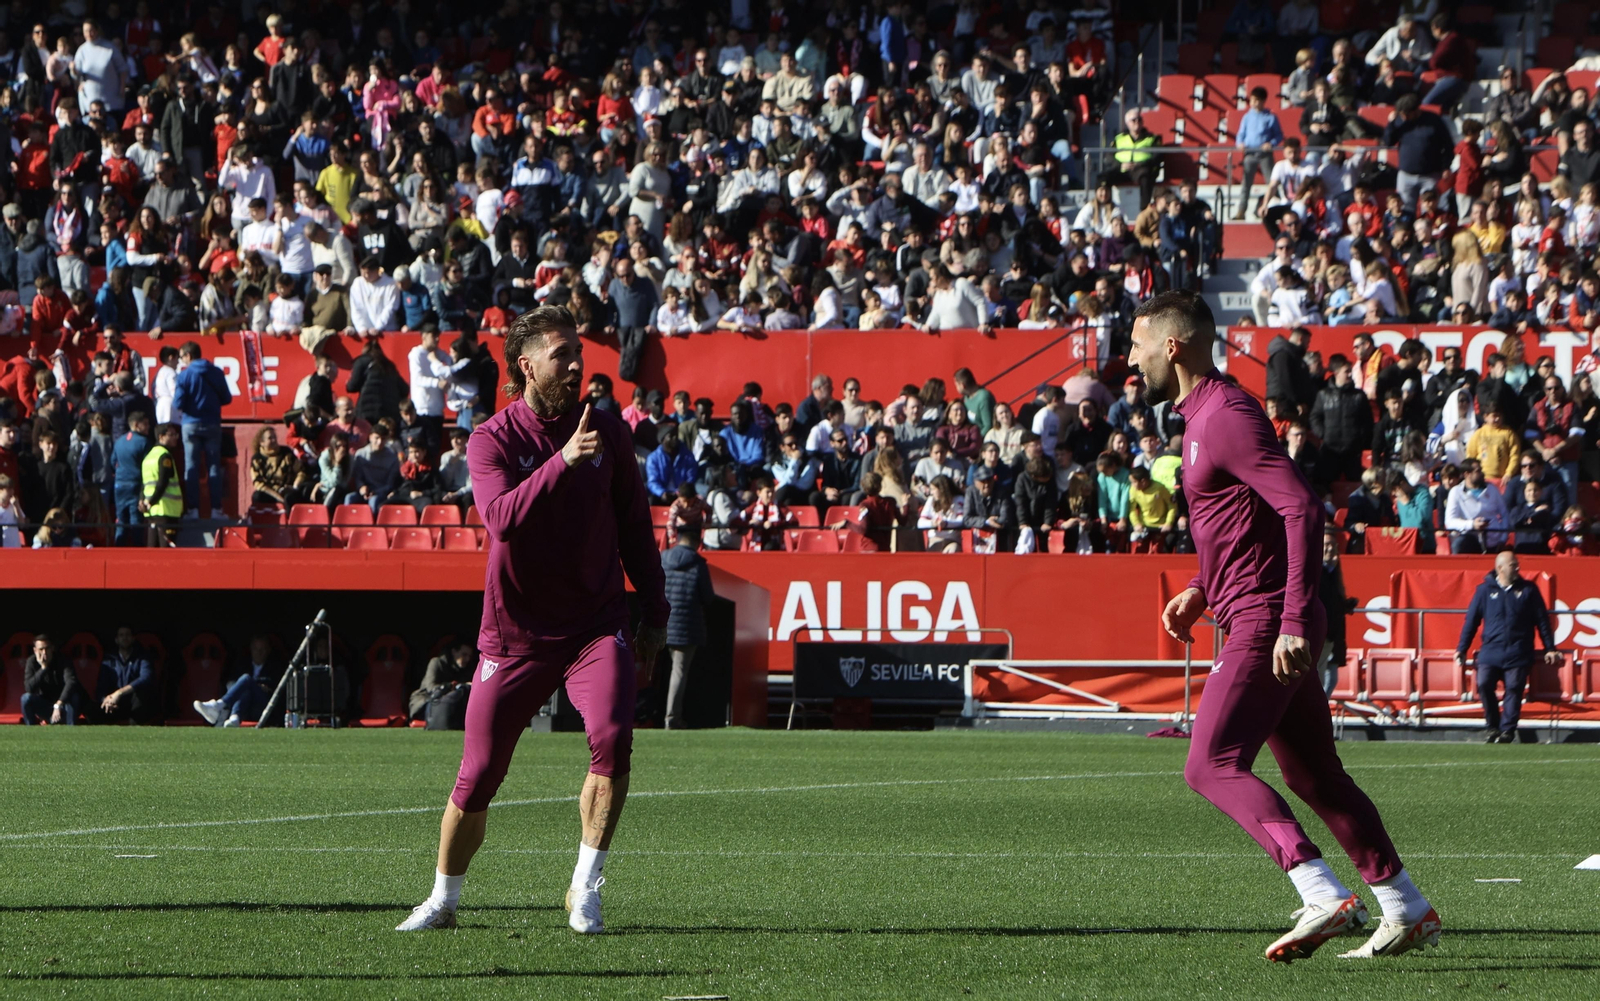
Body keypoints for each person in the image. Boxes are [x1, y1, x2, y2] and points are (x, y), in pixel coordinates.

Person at [1132, 289, 1438, 962]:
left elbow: (1301, 508)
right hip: (1256, 609)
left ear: (1172, 345)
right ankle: (1405, 905)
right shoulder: (1202, 418)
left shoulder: (1225, 414)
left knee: (1210, 763)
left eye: (1137, 344)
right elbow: (1245, 523)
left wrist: (1294, 618)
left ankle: (1319, 889)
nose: (1133, 358)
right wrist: (1197, 587)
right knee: (1314, 776)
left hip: (1268, 619)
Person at [397, 306, 668, 936]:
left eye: (580, 354)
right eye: (562, 355)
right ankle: (443, 898)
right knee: (480, 772)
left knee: (611, 735)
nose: (578, 366)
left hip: (594, 627)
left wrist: (654, 615)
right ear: (527, 366)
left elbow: (635, 530)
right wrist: (562, 461)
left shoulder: (608, 432)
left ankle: (585, 888)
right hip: (514, 637)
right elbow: (499, 521)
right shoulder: (490, 439)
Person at [1455, 551, 1560, 744]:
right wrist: (1462, 648)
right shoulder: (1484, 591)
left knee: (1514, 688)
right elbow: (1471, 621)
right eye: (1513, 565)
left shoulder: (1529, 590)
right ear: (1500, 568)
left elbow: (1542, 621)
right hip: (1491, 650)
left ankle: (1508, 731)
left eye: (1517, 564)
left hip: (1518, 651)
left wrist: (1550, 648)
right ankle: (1492, 726)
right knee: (1484, 683)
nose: (1518, 568)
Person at [660, 526, 716, 729]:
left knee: (655, 671)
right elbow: (708, 597)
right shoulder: (698, 564)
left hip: (661, 624)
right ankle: (672, 718)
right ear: (697, 542)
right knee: (679, 672)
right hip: (686, 626)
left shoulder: (663, 557)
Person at [171, 341, 233, 519]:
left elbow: (178, 403)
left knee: (191, 467)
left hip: (190, 423)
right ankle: (216, 510)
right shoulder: (216, 372)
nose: (182, 360)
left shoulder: (184, 376)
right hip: (212, 423)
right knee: (214, 466)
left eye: (182, 356)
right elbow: (227, 398)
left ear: (189, 355)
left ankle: (193, 510)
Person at [196, 635, 284, 727]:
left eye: (263, 649)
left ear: (268, 650)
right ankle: (235, 718)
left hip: (264, 705)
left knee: (246, 679)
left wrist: (253, 684)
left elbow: (274, 685)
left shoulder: (276, 666)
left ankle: (218, 705)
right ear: (251, 649)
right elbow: (232, 682)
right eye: (256, 649)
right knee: (243, 690)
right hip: (246, 705)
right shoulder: (243, 664)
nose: (259, 653)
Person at [97, 625, 156, 724]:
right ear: (116, 640)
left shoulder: (142, 656)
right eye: (121, 635)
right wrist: (107, 700)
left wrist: (119, 693)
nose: (125, 638)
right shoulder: (109, 659)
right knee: (92, 708)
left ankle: (135, 733)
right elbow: (101, 685)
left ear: (133, 639)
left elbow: (146, 678)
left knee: (141, 695)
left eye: (128, 635)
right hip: (115, 704)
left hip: (135, 704)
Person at [23, 633, 85, 725]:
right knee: (25, 698)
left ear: (52, 648)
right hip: (45, 705)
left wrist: (59, 704)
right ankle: (31, 732)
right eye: (41, 649)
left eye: (47, 648)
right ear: (35, 650)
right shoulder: (31, 662)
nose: (44, 653)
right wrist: (43, 668)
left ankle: (71, 731)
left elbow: (71, 682)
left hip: (63, 704)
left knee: (74, 697)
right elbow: (29, 688)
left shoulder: (63, 660)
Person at [408, 643, 478, 722]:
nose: (467, 659)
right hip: (426, 702)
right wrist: (457, 686)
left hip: (450, 705)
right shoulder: (436, 663)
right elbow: (431, 687)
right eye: (464, 654)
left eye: (469, 656)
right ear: (454, 652)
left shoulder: (467, 669)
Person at [141, 423, 185, 546]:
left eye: (176, 434)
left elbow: (144, 484)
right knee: (167, 551)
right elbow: (163, 482)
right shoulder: (164, 456)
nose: (175, 437)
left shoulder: (149, 457)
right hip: (166, 510)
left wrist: (143, 501)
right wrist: (151, 502)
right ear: (161, 437)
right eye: (171, 435)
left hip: (151, 512)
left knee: (153, 550)